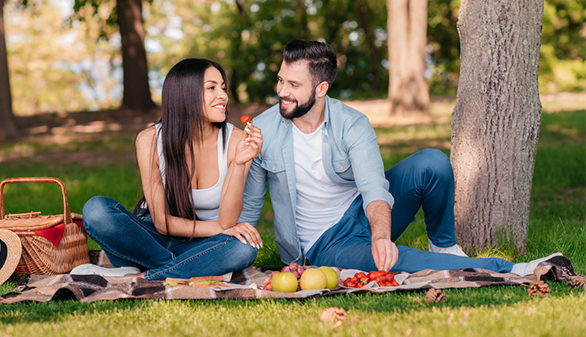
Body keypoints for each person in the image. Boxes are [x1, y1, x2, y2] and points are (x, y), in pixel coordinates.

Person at [239, 39, 561, 276]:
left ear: (321, 88)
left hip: (361, 213)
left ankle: (444, 245)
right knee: (396, 260)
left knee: (432, 163)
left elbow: (375, 188)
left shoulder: (351, 123)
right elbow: (251, 206)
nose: (282, 90)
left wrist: (380, 236)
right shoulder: (263, 130)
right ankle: (514, 269)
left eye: (294, 84)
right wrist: (237, 256)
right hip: (325, 244)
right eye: (281, 79)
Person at [72, 58, 263, 279]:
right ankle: (187, 268)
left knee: (245, 247)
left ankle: (144, 275)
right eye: (211, 87)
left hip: (203, 243)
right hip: (150, 240)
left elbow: (228, 223)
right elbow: (162, 223)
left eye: (223, 87)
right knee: (96, 209)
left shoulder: (237, 140)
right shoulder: (149, 140)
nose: (223, 95)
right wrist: (220, 230)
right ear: (185, 94)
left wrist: (240, 163)